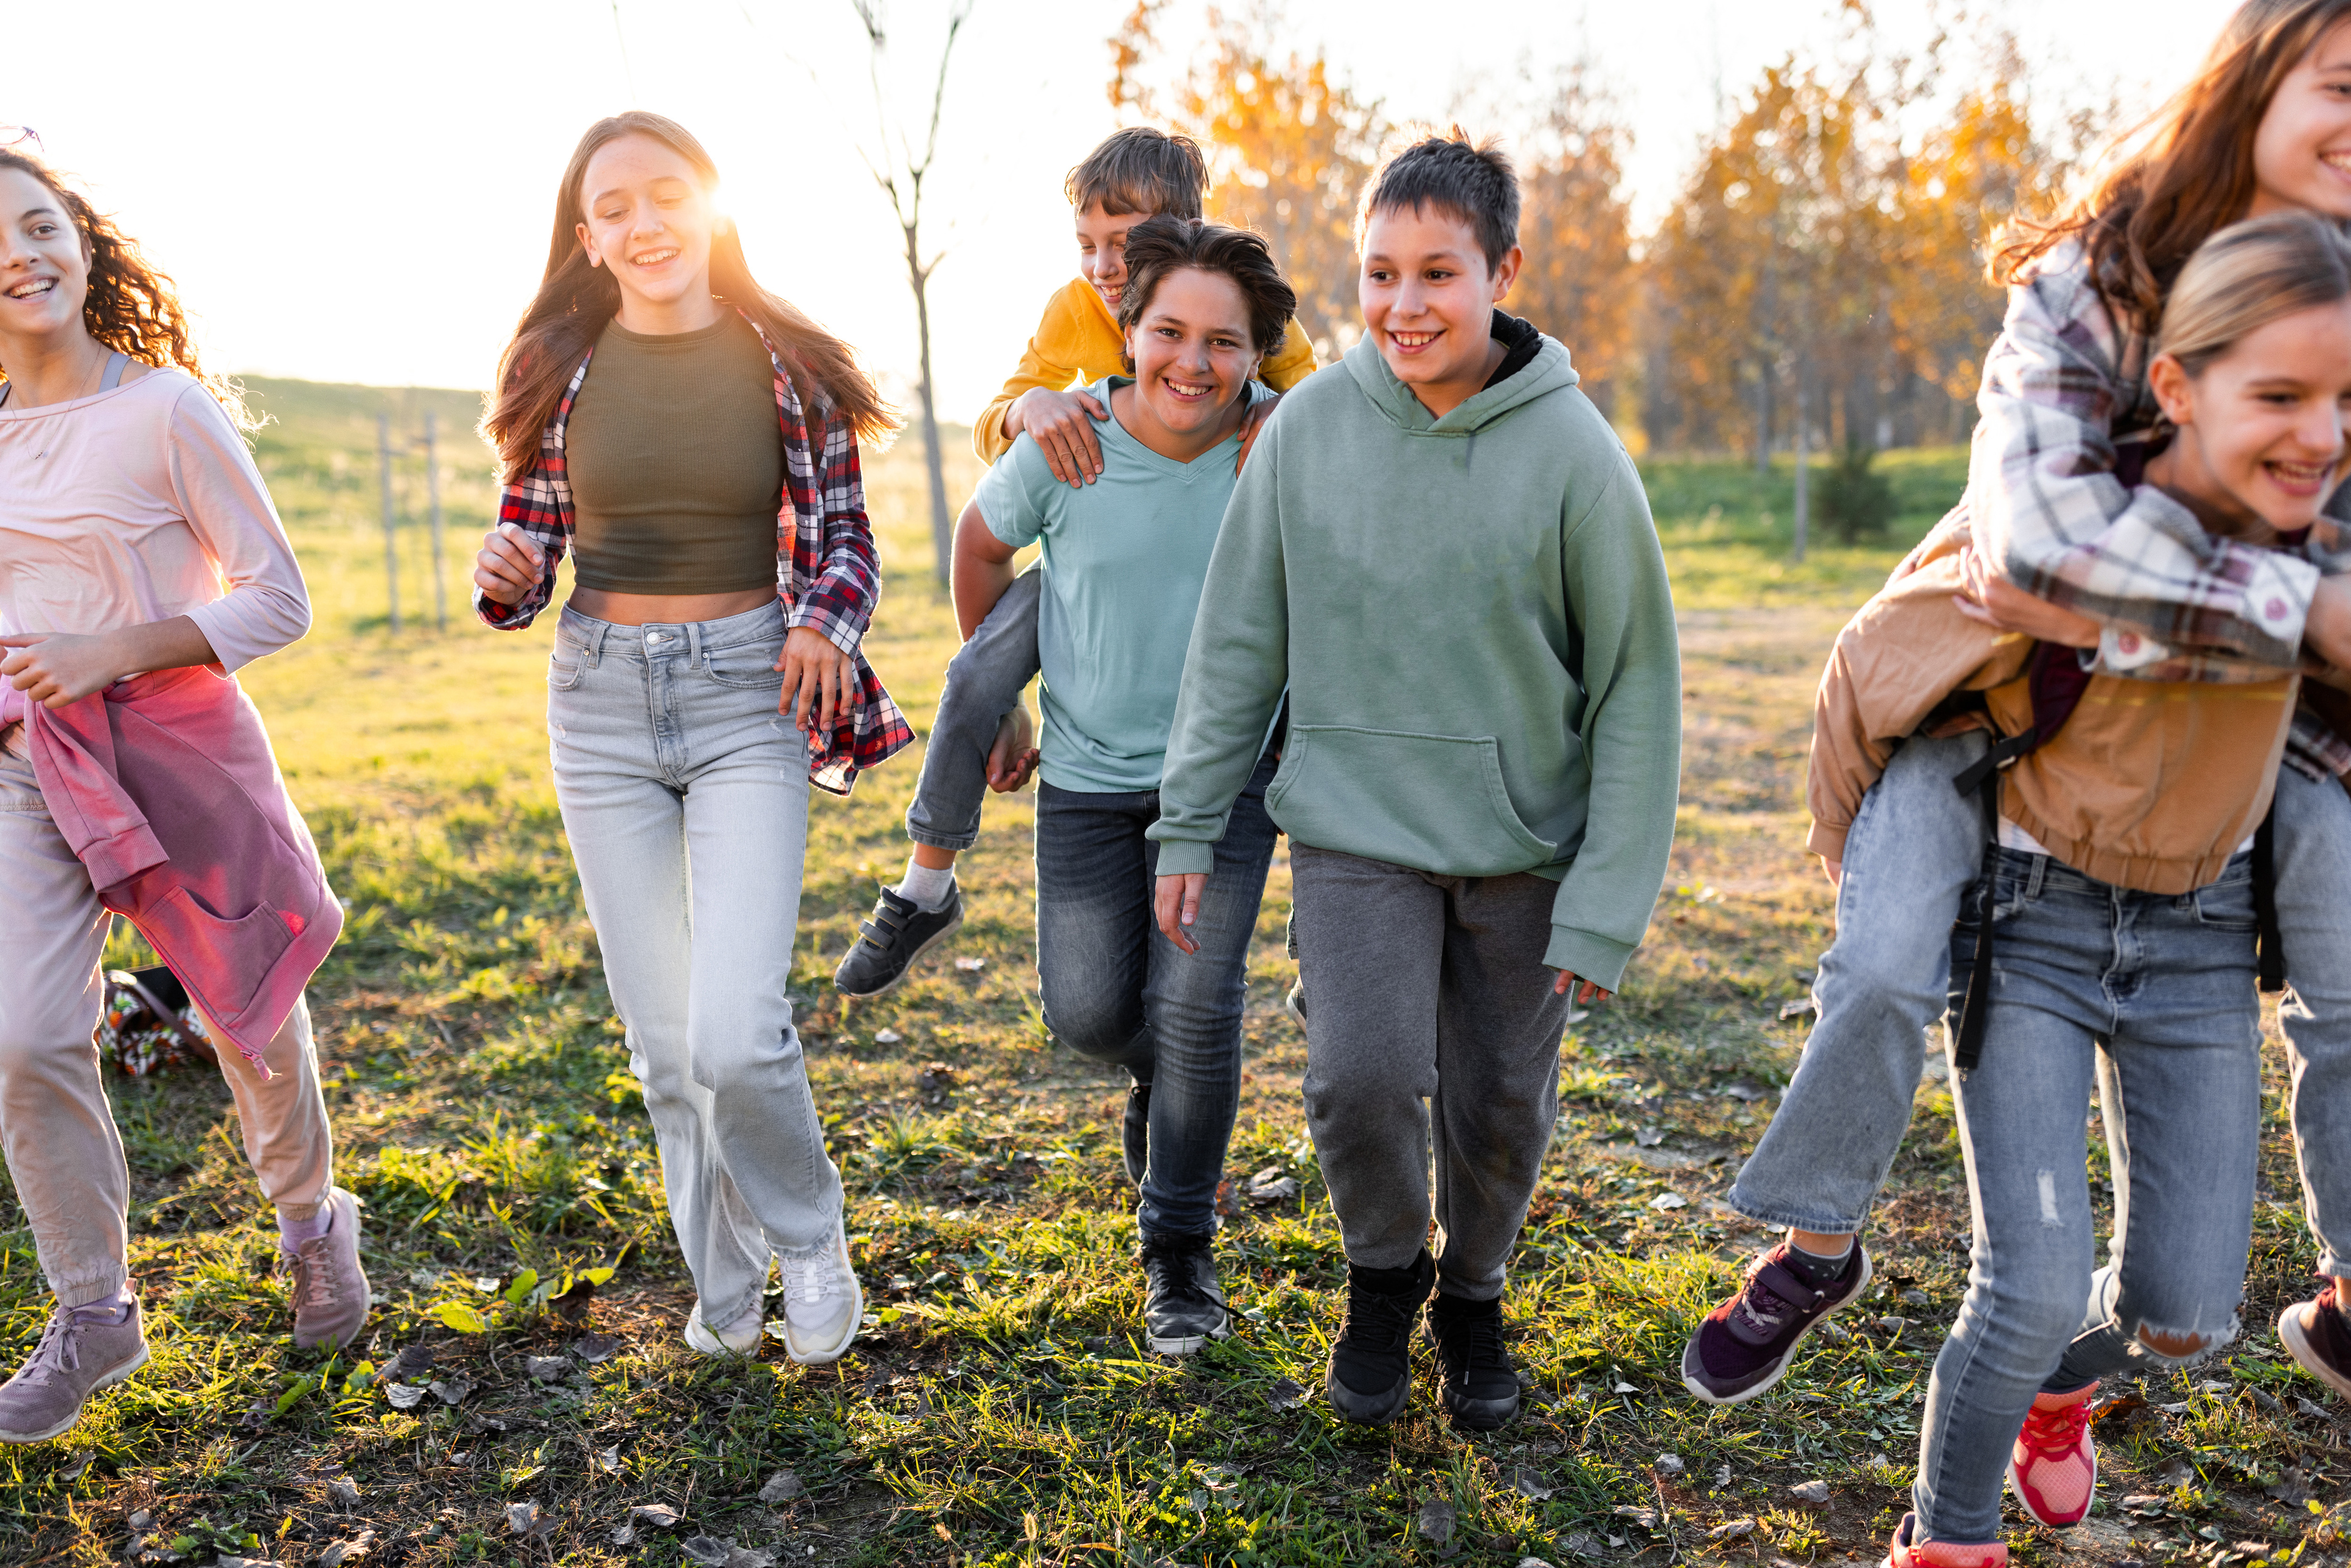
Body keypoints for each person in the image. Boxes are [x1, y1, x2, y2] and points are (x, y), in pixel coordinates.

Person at [1686, 0, 2351, 1420]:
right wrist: (2301, 605)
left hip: (2259, 728)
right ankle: (1816, 1242)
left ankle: (2313, 1301)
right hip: (2000, 697)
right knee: (1879, 968)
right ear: (2257, 77)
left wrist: (2176, 590)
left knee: (2347, 972)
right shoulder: (2109, 268)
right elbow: (2035, 548)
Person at [1819, 215, 2350, 1568]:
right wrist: (1861, 869)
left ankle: (2064, 1385)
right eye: (2279, 396)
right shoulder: (2065, 514)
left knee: (2188, 1312)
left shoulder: (2324, 540)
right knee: (2025, 1281)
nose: (2317, 436)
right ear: (2176, 388)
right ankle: (1946, 1536)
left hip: (2196, 939)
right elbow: (1887, 657)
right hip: (2032, 927)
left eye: (2342, 401)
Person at [1149, 132, 1682, 1428]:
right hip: (1354, 829)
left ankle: (1476, 1294)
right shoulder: (1311, 430)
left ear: (1504, 270)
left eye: (1436, 273)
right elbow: (1236, 641)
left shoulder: (1574, 453)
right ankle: (1386, 1278)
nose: (1403, 304)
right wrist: (1187, 823)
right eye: (1379, 273)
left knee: (1502, 1100)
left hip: (1525, 851)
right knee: (1360, 1077)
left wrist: (1607, 900)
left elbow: (1636, 692)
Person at [471, 111, 907, 1367]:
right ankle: (724, 1289)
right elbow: (524, 563)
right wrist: (504, 568)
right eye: (614, 207)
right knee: (667, 1052)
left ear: (710, 205)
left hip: (746, 696)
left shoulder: (788, 366)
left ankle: (810, 1234)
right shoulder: (560, 367)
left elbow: (846, 543)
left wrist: (826, 624)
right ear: (587, 236)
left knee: (734, 1029)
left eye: (667, 195)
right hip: (600, 705)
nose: (645, 222)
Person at [0, 145, 362, 1442]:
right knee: (22, 1032)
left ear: (82, 241)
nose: (21, 253)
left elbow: (277, 596)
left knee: (246, 1013)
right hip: (34, 764)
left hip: (178, 742)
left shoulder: (163, 409)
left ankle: (313, 1219)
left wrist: (112, 651)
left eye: (39, 225)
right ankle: (92, 1304)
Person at [832, 127, 1318, 1036]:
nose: (1101, 265)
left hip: (1210, 560)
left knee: (1300, 708)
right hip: (1081, 567)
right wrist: (1027, 407)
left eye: (1121, 243)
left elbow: (1311, 394)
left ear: (1183, 233)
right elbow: (992, 418)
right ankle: (925, 885)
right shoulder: (1071, 310)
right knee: (976, 675)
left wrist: (1282, 411)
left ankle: (1319, 941)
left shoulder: (1236, 299)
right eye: (1086, 243)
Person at [954, 214, 1296, 1353]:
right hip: (1091, 783)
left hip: (1230, 781)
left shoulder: (1278, 448)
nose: (1193, 363)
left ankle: (1179, 1252)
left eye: (1227, 343)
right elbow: (977, 544)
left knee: (1199, 1008)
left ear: (1261, 356)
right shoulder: (1072, 439)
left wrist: (1294, 413)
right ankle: (1166, 1079)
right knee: (1095, 1014)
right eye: (1169, 332)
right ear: (1129, 329)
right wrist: (996, 699)